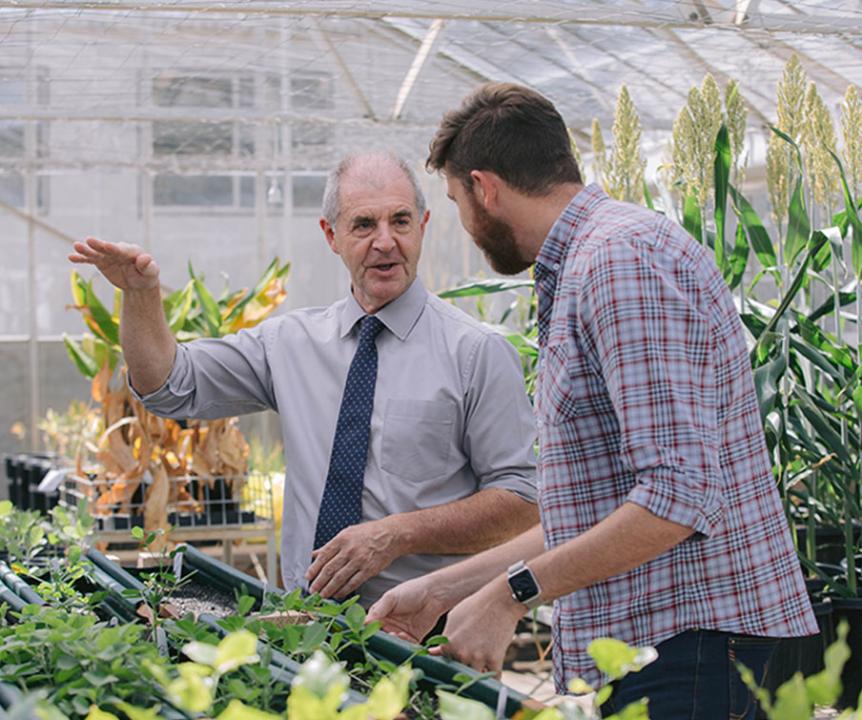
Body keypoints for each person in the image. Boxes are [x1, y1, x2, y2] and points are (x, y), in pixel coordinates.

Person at [367, 84, 817, 718]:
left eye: (456, 202)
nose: (466, 227)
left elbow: (678, 496)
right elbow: (598, 510)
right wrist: (443, 589)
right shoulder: (587, 262)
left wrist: (508, 597)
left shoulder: (618, 262)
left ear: (485, 188)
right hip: (658, 648)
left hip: (685, 646)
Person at [69, 152, 539, 608]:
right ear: (330, 235)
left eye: (400, 221)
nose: (385, 241)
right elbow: (170, 386)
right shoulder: (289, 344)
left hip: (428, 629)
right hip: (306, 624)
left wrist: (397, 534)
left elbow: (522, 503)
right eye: (363, 225)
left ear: (423, 225)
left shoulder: (476, 352)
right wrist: (140, 295)